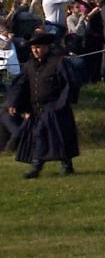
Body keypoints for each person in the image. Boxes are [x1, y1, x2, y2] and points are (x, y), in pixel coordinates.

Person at [4, 32, 81, 179]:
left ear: (46, 47)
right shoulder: (29, 66)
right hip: (37, 109)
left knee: (60, 137)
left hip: (56, 108)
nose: (35, 50)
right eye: (33, 48)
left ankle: (65, 164)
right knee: (38, 135)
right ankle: (37, 165)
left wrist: (61, 103)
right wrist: (13, 102)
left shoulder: (58, 62)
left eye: (38, 47)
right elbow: (20, 85)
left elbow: (70, 83)